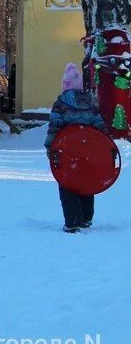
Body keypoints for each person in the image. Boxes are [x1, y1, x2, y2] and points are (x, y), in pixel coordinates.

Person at [45, 63, 109, 233]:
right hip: (88, 152)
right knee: (87, 181)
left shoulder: (60, 103)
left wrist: (49, 147)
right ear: (80, 86)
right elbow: (99, 125)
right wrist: (107, 145)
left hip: (67, 152)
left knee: (68, 184)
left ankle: (72, 222)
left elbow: (54, 126)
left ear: (65, 85)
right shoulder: (90, 103)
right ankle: (86, 218)